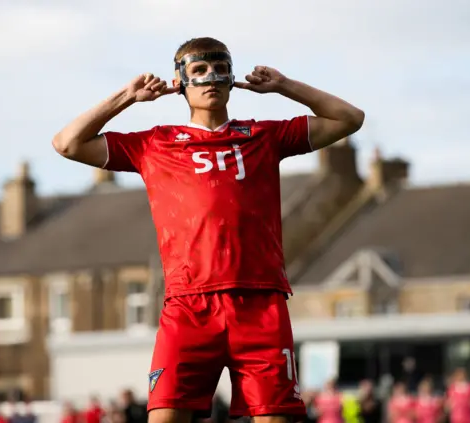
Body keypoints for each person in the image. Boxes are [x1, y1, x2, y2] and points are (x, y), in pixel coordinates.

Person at [53, 36, 364, 423]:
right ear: (180, 81)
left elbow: (349, 118)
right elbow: (67, 143)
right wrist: (126, 98)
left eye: (220, 69)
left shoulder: (264, 137)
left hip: (259, 303)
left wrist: (285, 86)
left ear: (232, 78)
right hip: (188, 306)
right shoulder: (154, 144)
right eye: (199, 71)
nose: (212, 77)